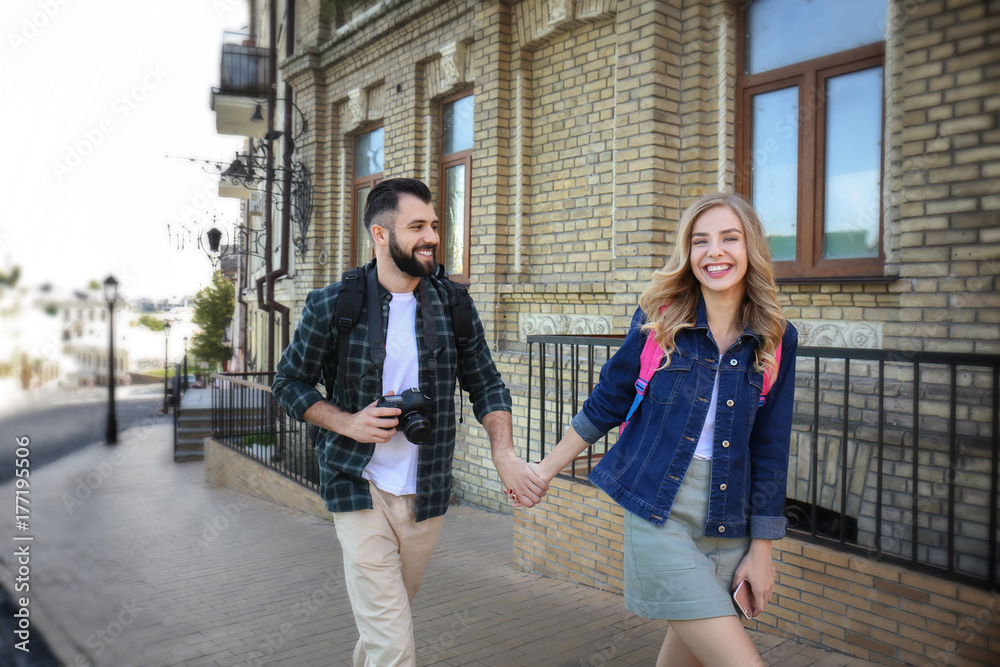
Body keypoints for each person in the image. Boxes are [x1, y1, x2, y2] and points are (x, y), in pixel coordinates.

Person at [272, 178, 547, 666]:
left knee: (385, 628)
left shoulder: (453, 304)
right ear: (380, 234)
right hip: (357, 484)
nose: (433, 237)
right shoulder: (334, 304)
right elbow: (288, 382)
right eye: (417, 226)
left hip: (427, 492)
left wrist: (503, 453)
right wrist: (348, 423)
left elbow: (486, 383)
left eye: (435, 226)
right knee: (395, 645)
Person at [524, 192, 797, 666]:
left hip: (729, 518)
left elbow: (770, 446)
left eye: (729, 238)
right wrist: (545, 470)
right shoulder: (660, 320)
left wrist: (763, 549)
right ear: (687, 254)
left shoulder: (777, 336)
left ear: (750, 247)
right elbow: (609, 399)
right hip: (659, 510)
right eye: (700, 241)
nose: (715, 252)